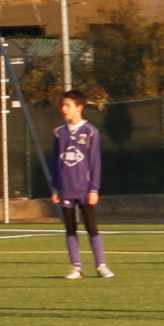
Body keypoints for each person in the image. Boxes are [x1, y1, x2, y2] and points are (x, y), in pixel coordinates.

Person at [48, 90, 112, 279]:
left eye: (68, 105)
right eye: (62, 105)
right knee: (70, 227)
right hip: (65, 188)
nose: (63, 109)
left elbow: (95, 162)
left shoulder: (90, 132)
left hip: (84, 189)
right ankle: (76, 267)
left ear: (79, 108)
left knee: (91, 226)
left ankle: (101, 265)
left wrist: (94, 188)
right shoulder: (59, 133)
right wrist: (55, 187)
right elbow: (55, 162)